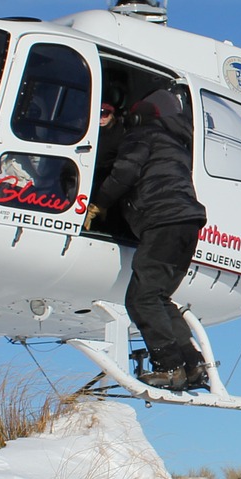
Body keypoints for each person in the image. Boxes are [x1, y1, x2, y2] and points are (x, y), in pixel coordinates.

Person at [87, 84, 209, 392]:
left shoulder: (142, 137)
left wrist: (99, 203)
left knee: (140, 299)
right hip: (188, 223)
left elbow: (124, 174)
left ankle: (169, 367)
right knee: (159, 298)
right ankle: (193, 366)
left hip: (163, 221)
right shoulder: (177, 142)